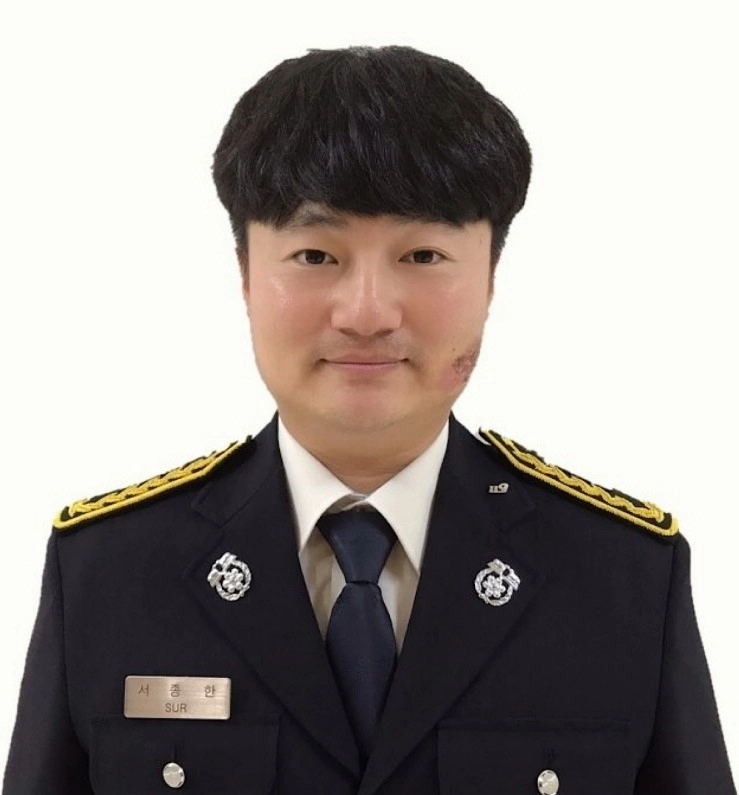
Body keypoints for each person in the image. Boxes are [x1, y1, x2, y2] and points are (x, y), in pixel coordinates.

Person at [3, 44, 735, 794]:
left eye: (422, 255)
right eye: (315, 255)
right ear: (245, 273)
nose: (366, 314)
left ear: (490, 277)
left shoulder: (622, 576)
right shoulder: (108, 571)